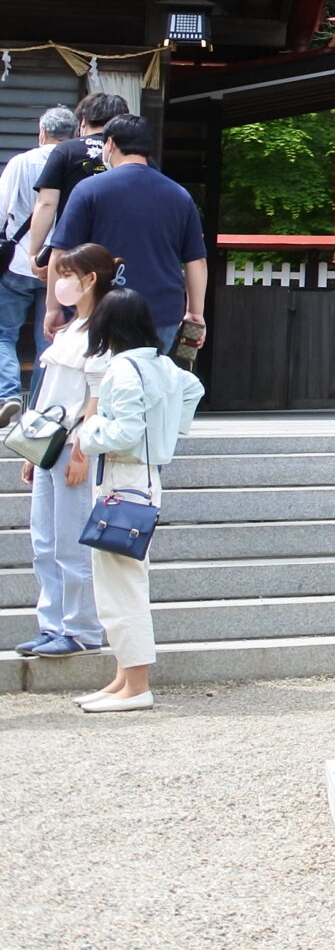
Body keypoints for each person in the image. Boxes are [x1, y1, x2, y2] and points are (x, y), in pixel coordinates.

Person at [71, 286, 193, 711]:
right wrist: (169, 432)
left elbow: (124, 432)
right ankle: (125, 679)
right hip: (142, 477)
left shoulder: (123, 368)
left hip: (123, 478)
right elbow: (193, 388)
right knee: (121, 581)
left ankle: (136, 686)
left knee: (121, 586)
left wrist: (87, 433)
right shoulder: (162, 364)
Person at [12, 243, 114, 660]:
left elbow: (96, 397)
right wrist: (31, 449)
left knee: (72, 541)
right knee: (45, 539)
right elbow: (47, 393)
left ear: (89, 279)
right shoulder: (70, 329)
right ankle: (52, 623)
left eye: (68, 275)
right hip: (49, 441)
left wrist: (82, 452)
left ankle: (81, 628)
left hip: (73, 443)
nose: (60, 283)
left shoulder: (103, 330)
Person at [51, 115, 207, 353]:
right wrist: (195, 313)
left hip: (99, 308)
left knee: (99, 375)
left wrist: (53, 307)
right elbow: (196, 260)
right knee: (148, 375)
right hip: (162, 313)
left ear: (110, 144)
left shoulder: (89, 190)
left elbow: (61, 251)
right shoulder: (180, 195)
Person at [0, 105, 75, 409]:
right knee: (51, 337)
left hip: (18, 263)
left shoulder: (20, 162)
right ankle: (41, 406)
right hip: (61, 265)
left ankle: (7, 395)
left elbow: (2, 208)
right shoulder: (78, 162)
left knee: (3, 333)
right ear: (75, 133)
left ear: (42, 132)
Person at [25, 92, 127, 301]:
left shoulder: (66, 151)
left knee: (72, 311)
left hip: (73, 252)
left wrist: (35, 254)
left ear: (83, 121)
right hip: (119, 255)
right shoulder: (134, 157)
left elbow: (46, 203)